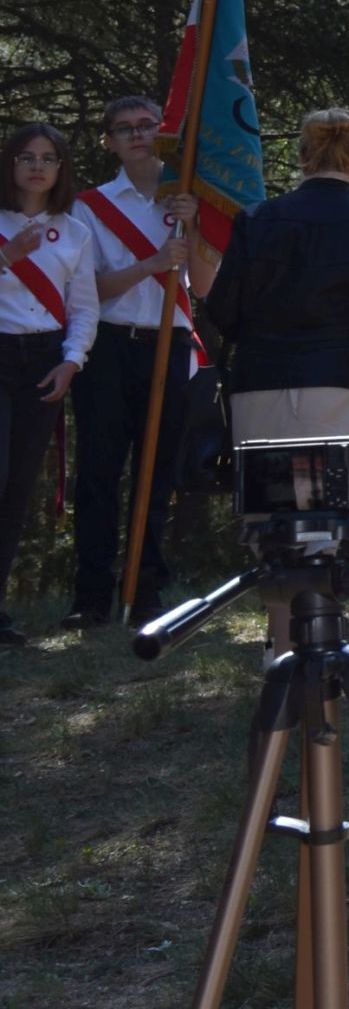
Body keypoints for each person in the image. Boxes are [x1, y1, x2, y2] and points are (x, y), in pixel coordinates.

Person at [194, 109, 349, 653]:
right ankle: (315, 652)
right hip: (336, 387)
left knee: (271, 521)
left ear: (303, 156)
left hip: (260, 384)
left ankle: (282, 649)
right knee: (326, 521)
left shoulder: (257, 220)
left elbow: (223, 312)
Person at [68, 94, 218, 629]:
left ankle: (146, 590)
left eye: (147, 125)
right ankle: (91, 597)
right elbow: (86, 291)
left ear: (163, 132)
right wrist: (152, 263)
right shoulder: (89, 206)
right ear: (109, 141)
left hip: (167, 344)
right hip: (108, 346)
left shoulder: (188, 201)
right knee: (99, 471)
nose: (137, 134)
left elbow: (204, 286)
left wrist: (194, 228)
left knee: (156, 471)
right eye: (124, 128)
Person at [0, 122, 98, 647]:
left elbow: (83, 307)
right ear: (10, 163)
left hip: (44, 361)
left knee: (18, 486)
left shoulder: (75, 232)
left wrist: (72, 361)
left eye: (48, 158)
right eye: (26, 157)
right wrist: (8, 256)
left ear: (61, 169)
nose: (37, 167)